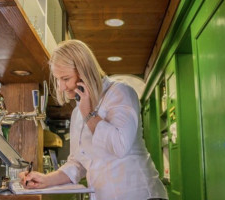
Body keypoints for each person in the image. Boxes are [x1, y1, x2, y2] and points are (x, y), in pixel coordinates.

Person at [19, 39, 168, 200]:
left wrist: (89, 114)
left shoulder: (120, 93)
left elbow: (119, 146)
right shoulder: (78, 112)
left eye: (66, 78)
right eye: (57, 79)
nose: (61, 87)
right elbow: (77, 163)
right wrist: (45, 180)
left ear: (85, 73)